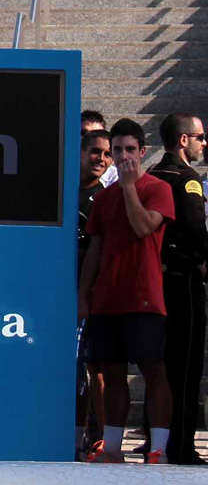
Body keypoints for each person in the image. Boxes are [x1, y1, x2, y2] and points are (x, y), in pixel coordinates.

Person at [78, 118, 175, 464]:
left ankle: (159, 448)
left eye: (129, 150)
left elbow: (143, 227)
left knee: (153, 371)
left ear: (143, 151)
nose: (122, 157)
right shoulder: (103, 199)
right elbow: (95, 249)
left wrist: (130, 187)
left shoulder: (158, 189)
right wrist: (83, 295)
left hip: (144, 296)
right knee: (112, 373)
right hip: (107, 298)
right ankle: (112, 446)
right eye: (117, 150)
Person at [146, 113, 208, 465]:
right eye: (200, 137)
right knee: (185, 365)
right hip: (183, 281)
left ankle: (153, 438)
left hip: (154, 283)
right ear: (183, 140)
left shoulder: (152, 175)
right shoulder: (188, 180)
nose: (203, 143)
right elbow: (197, 231)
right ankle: (181, 444)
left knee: (157, 366)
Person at [75, 128, 112, 457]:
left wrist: (84, 295)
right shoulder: (60, 193)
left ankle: (93, 434)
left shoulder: (105, 199)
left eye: (107, 154)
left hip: (88, 298)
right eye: (95, 152)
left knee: (91, 368)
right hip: (51, 293)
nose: (101, 159)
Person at [81, 110, 118, 185]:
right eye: (83, 133)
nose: (89, 139)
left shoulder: (115, 177)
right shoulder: (60, 168)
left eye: (97, 134)